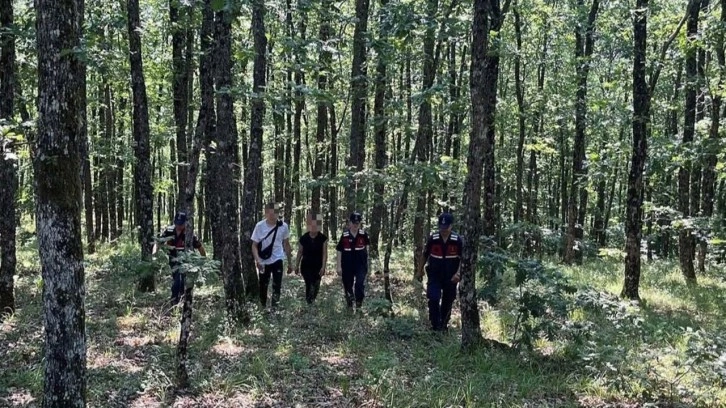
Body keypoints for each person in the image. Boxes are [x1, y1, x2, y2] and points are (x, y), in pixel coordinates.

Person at [415, 212, 462, 332]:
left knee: (448, 300)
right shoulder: (433, 239)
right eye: (441, 227)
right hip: (434, 275)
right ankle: (435, 325)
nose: (444, 230)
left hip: (451, 277)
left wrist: (458, 273)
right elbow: (425, 255)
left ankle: (443, 325)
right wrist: (419, 270)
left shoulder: (457, 240)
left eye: (446, 228)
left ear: (451, 226)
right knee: (433, 298)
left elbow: (463, 259)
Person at [152, 212, 206, 305]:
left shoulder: (189, 234)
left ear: (185, 223)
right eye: (177, 223)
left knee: (180, 280)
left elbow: (200, 248)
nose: (178, 226)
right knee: (176, 278)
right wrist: (154, 254)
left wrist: (203, 261)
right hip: (173, 259)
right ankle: (178, 299)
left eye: (181, 224)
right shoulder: (169, 231)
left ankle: (175, 301)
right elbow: (158, 242)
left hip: (185, 260)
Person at [251, 202, 293, 307]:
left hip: (278, 259)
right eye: (269, 212)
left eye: (274, 212)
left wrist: (290, 263)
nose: (272, 215)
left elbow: (286, 244)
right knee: (263, 285)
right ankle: (263, 306)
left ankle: (275, 309)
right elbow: (254, 245)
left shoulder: (283, 226)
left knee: (277, 285)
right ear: (265, 213)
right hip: (263, 260)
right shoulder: (259, 226)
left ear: (278, 213)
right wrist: (258, 260)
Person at [336, 212, 370, 309]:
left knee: (359, 283)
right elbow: (339, 250)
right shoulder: (345, 235)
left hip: (361, 265)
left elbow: (367, 249)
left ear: (360, 224)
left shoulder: (364, 235)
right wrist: (338, 266)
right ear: (349, 223)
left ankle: (359, 304)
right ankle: (350, 304)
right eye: (354, 223)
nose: (355, 225)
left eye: (357, 223)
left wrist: (368, 264)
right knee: (348, 284)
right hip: (347, 265)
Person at [294, 211, 328, 304]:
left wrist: (323, 267)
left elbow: (325, 253)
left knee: (316, 284)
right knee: (309, 283)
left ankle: (312, 300)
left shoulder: (323, 238)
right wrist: (296, 265)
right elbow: (300, 252)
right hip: (306, 266)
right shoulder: (303, 238)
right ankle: (309, 303)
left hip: (318, 266)